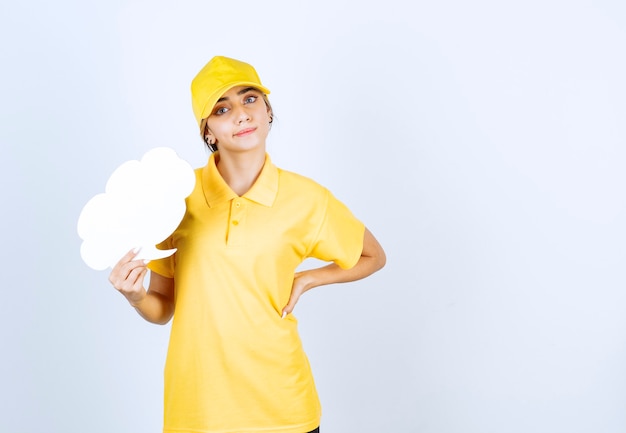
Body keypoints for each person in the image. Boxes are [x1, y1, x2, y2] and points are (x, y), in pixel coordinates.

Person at [108, 55, 386, 433]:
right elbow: (163, 308)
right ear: (208, 132)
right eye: (222, 109)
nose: (240, 114)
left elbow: (372, 256)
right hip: (198, 408)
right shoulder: (175, 198)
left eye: (250, 99)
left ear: (268, 111)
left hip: (283, 406)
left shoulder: (308, 199)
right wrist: (135, 296)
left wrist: (309, 279)